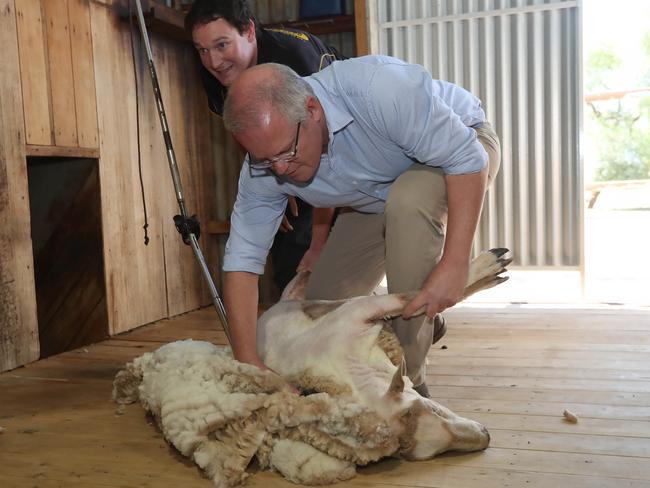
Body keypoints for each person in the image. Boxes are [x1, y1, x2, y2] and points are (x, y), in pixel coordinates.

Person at [221, 55, 501, 397]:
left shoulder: (379, 89)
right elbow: (242, 259)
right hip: (374, 196)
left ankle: (408, 388)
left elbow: (467, 160)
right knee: (322, 307)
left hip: (461, 149)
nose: (280, 171)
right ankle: (426, 319)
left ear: (312, 110)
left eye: (287, 153)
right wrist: (248, 360)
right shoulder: (265, 168)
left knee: (409, 200)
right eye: (266, 161)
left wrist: (455, 264)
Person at [184, 0, 342, 290]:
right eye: (202, 50)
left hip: (343, 145)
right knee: (288, 260)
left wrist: (319, 245)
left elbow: (331, 154)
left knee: (318, 254)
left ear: (249, 32)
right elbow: (242, 129)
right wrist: (272, 177)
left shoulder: (295, 63)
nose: (213, 61)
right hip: (292, 148)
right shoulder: (214, 71)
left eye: (222, 45)